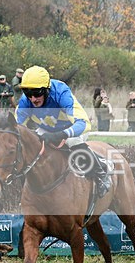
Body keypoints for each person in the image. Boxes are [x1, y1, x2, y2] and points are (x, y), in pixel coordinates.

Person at [15, 66, 110, 196]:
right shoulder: (25, 101)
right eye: (28, 94)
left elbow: (84, 124)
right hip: (47, 128)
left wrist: (61, 134)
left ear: (46, 90)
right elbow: (15, 126)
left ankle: (101, 172)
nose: (33, 99)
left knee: (72, 141)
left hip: (72, 127)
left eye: (37, 94)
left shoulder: (61, 93)